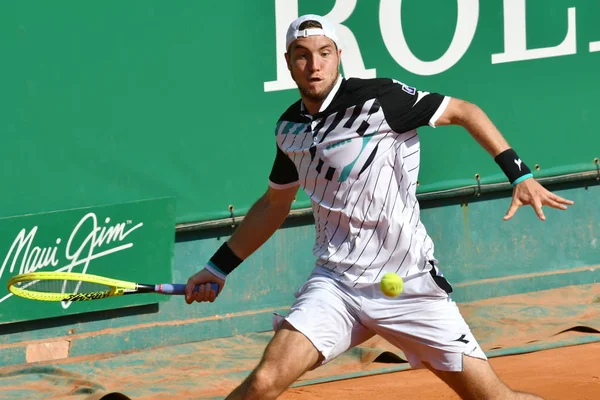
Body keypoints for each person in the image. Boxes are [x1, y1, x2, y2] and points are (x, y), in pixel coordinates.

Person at [185, 14, 573, 400]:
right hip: (335, 285)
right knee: (263, 383)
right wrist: (218, 267)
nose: (314, 65)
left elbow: (464, 111)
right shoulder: (290, 129)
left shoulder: (379, 99)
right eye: (302, 55)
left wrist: (519, 176)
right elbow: (273, 205)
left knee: (493, 398)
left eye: (324, 53)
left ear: (338, 55)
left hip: (409, 285)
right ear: (288, 62)